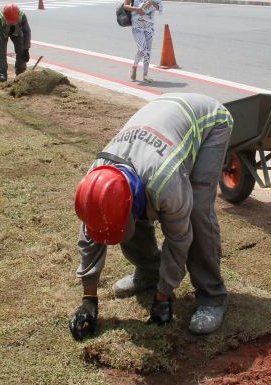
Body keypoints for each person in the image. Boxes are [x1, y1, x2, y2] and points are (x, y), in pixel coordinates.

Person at [69, 93, 233, 340]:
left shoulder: (165, 182)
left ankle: (212, 296)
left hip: (209, 121)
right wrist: (88, 299)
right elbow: (91, 238)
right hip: (161, 118)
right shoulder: (97, 183)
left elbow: (179, 240)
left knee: (197, 211)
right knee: (125, 219)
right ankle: (149, 272)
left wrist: (163, 296)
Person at [122, 0, 164, 83]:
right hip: (137, 26)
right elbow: (125, 5)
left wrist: (153, 3)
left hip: (149, 27)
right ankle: (134, 66)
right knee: (143, 49)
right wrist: (137, 9)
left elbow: (160, 8)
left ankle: (145, 74)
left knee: (148, 51)